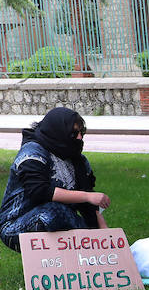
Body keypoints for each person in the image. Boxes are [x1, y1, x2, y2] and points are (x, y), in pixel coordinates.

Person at [0, 107, 111, 252]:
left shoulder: (79, 160)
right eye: (74, 133)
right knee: (54, 212)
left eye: (81, 132)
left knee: (73, 221)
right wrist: (87, 197)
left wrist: (106, 237)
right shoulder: (32, 152)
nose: (79, 138)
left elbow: (89, 205)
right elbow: (39, 191)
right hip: (15, 224)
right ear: (58, 132)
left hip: (61, 217)